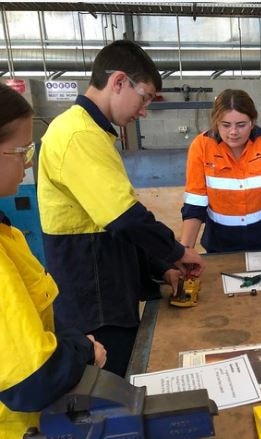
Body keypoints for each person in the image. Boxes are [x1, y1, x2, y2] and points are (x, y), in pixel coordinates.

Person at [37, 40, 204, 377]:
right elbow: (124, 219)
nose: (144, 111)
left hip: (105, 287)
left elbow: (115, 222)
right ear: (118, 82)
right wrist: (176, 252)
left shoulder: (93, 133)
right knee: (111, 394)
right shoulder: (77, 135)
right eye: (144, 97)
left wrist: (161, 267)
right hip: (94, 300)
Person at [0, 83, 107, 438]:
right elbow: (33, 380)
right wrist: (83, 351)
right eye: (21, 150)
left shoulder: (7, 235)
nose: (28, 161)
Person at [180, 89, 261, 253]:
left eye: (241, 125)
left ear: (252, 122)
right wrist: (186, 250)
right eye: (226, 125)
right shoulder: (201, 146)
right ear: (216, 122)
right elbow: (195, 202)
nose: (233, 132)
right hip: (219, 243)